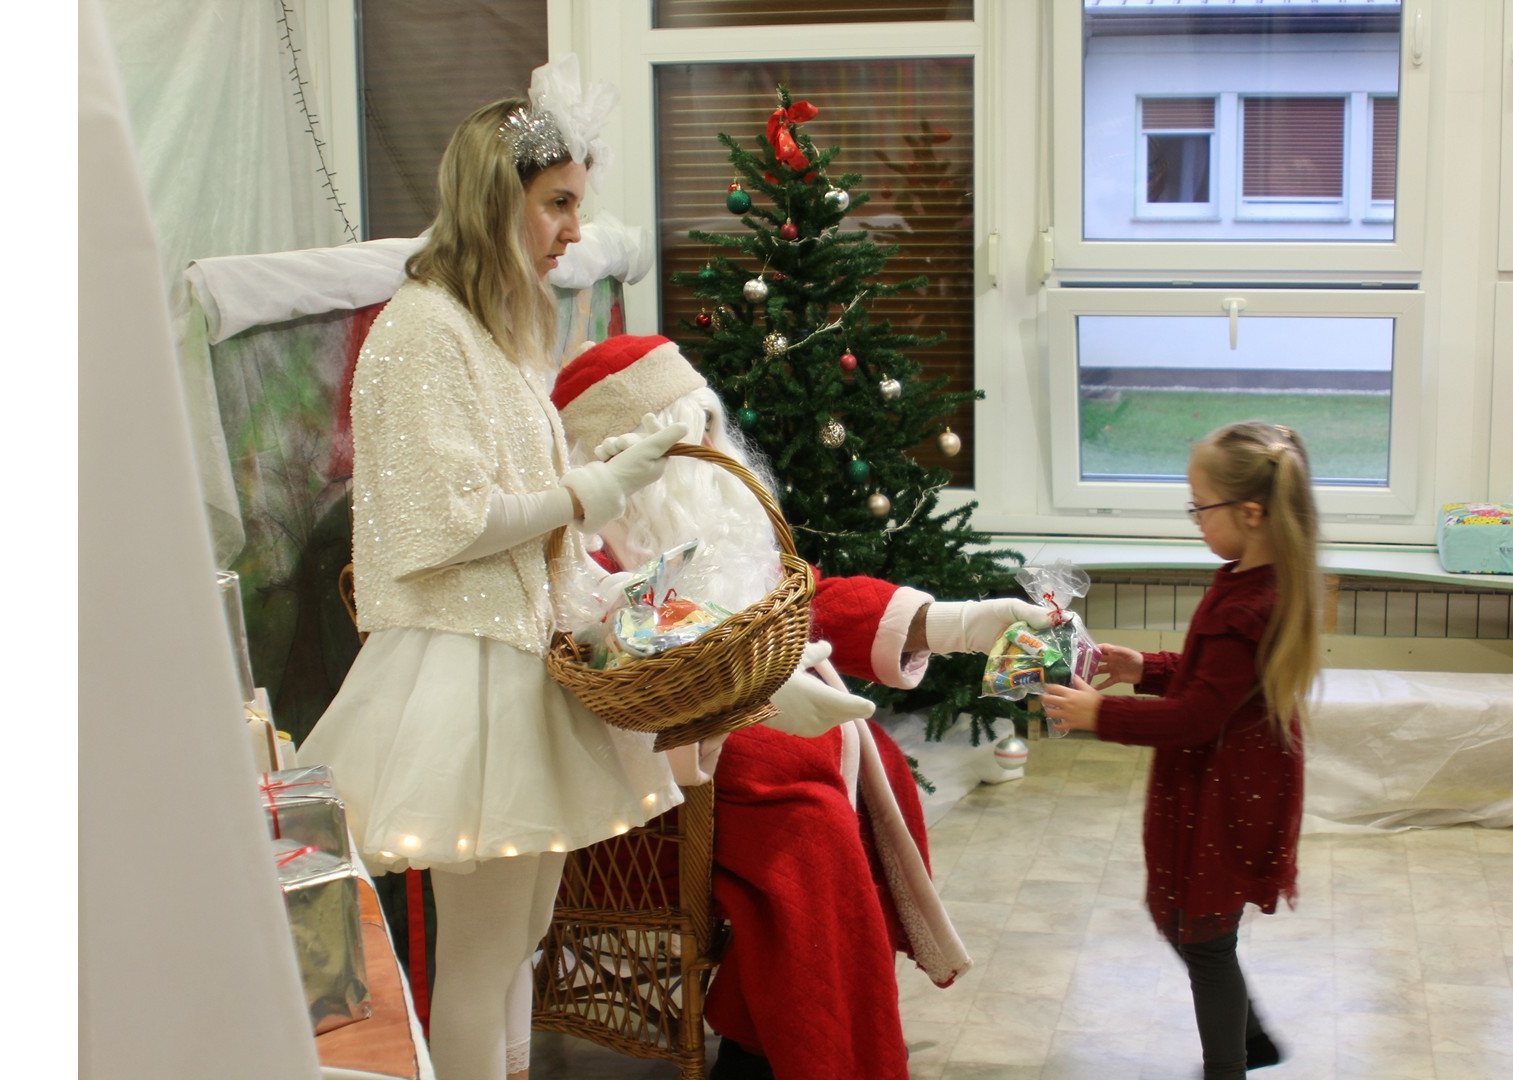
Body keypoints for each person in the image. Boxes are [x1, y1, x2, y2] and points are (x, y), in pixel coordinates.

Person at [297, 58, 692, 1080]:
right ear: (492, 198)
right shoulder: (423, 331)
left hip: (519, 658)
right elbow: (451, 522)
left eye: (576, 204)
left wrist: (599, 481)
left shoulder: (488, 326)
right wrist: (594, 492)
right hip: (466, 669)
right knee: (479, 960)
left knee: (519, 938)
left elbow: (517, 486)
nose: (572, 229)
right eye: (557, 202)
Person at [549, 333, 1054, 1080]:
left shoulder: (716, 524)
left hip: (724, 758)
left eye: (714, 426)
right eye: (693, 435)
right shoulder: (584, 552)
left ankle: (764, 1036)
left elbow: (803, 599)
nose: (714, 452)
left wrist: (956, 623)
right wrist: (761, 697)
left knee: (864, 768)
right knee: (807, 825)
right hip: (651, 790)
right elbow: (617, 664)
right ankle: (813, 1050)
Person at [1041, 420, 1323, 1078]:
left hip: (1225, 789)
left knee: (1204, 937)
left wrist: (1100, 714)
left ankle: (1231, 1064)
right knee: (1190, 924)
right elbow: (1216, 682)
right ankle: (1253, 1040)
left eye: (1201, 507)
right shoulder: (1250, 579)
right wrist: (1146, 668)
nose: (1195, 519)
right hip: (1226, 777)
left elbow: (1198, 716)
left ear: (1251, 513)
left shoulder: (1248, 604)